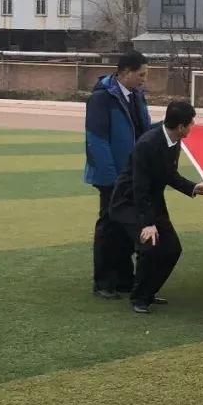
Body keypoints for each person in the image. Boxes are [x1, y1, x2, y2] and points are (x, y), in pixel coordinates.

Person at [109, 100, 203, 314]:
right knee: (150, 246)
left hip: (152, 201)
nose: (193, 126)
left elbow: (169, 174)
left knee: (173, 249)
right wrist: (147, 223)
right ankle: (139, 298)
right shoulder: (147, 144)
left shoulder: (175, 141)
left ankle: (149, 291)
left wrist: (193, 187)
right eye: (191, 123)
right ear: (181, 127)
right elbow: (139, 186)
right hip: (129, 202)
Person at [84, 50, 152, 299]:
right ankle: (103, 281)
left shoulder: (136, 96)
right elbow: (97, 140)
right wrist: (111, 179)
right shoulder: (102, 98)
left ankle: (124, 279)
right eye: (141, 75)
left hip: (131, 174)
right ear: (125, 72)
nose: (144, 79)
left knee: (125, 227)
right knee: (109, 227)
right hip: (112, 177)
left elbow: (143, 131)